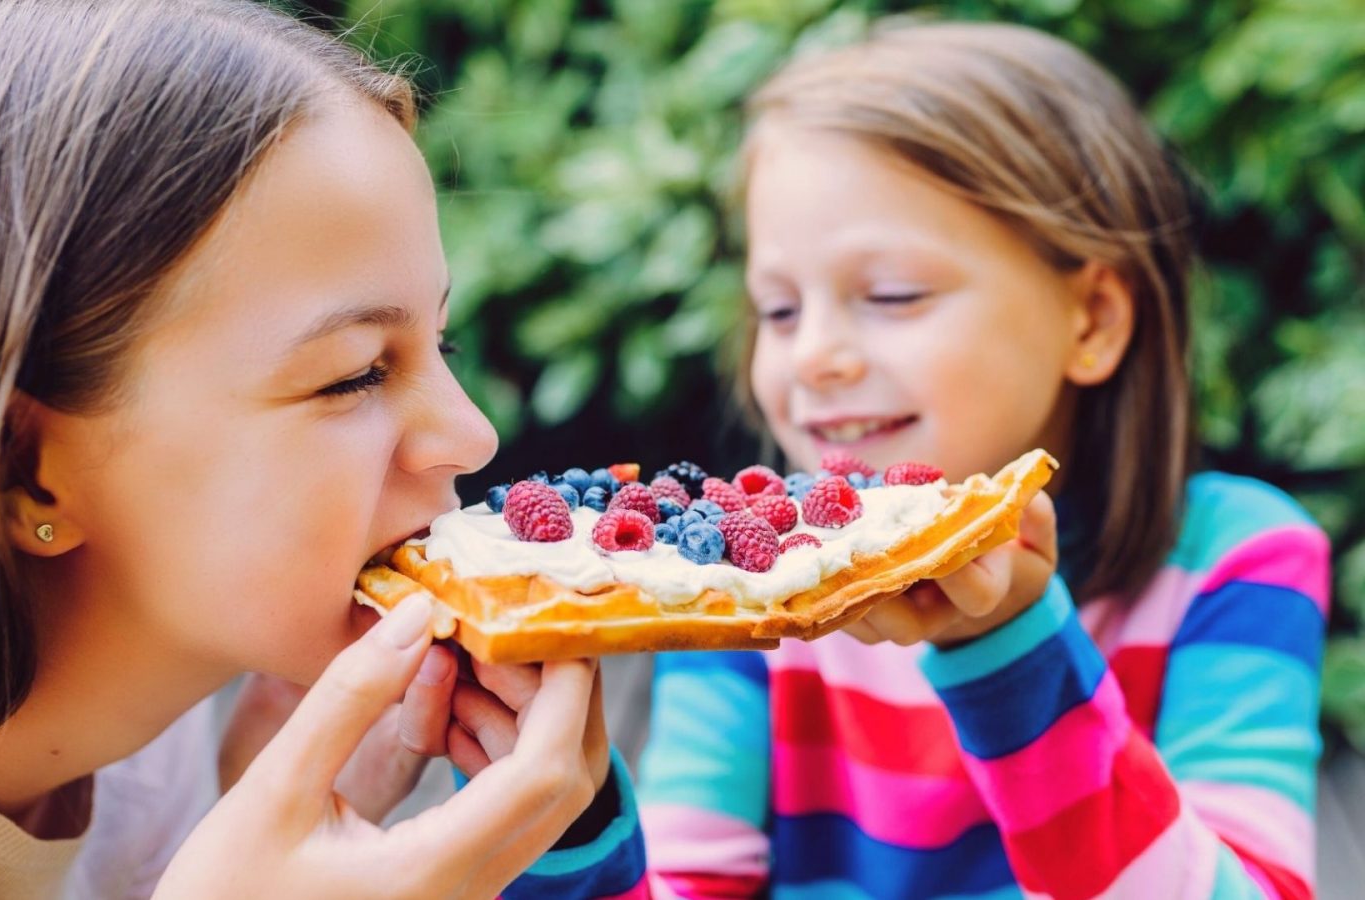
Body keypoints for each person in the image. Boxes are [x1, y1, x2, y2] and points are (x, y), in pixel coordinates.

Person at [0, 1, 629, 896]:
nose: (471, 435)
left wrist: (233, 810)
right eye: (356, 373)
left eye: (437, 345)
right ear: (28, 475)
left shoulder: (154, 736)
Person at [537, 20, 1329, 899]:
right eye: (780, 309)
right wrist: (549, 814)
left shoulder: (1238, 561)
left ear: (1094, 319)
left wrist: (1010, 643)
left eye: (892, 295)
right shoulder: (738, 594)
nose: (814, 358)